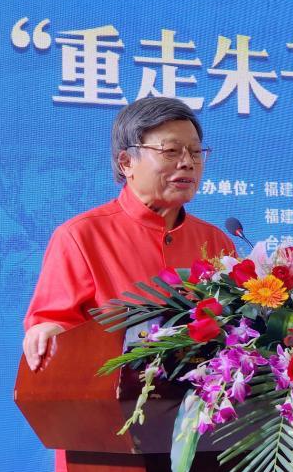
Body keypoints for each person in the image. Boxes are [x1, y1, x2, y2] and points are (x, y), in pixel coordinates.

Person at [22, 97, 236, 371]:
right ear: (126, 162)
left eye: (195, 152)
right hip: (109, 392)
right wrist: (48, 331)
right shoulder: (81, 236)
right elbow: (54, 325)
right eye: (171, 151)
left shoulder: (216, 242)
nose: (187, 162)